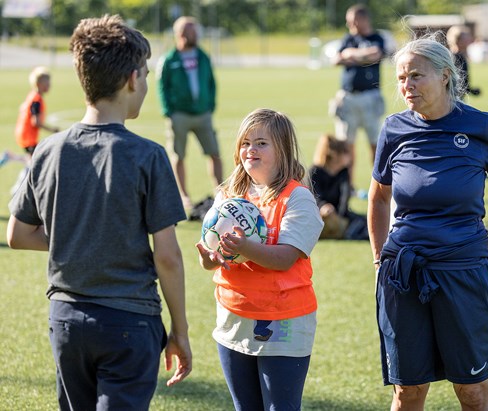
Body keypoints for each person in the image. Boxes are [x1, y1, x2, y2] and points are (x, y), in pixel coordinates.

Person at [7, 15, 192, 410]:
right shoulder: (148, 156)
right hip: (129, 321)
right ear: (130, 80)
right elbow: (168, 257)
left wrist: (79, 241)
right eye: (144, 74)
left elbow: (18, 235)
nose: (145, 84)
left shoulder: (49, 150)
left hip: (66, 319)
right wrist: (181, 329)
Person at [367, 34, 488, 410]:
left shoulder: (480, 126)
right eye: (401, 78)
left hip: (464, 272)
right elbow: (378, 198)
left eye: (416, 76)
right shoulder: (394, 129)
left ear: (445, 76)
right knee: (408, 391)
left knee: (472, 391)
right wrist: (379, 260)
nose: (407, 86)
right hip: (402, 273)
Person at [195, 108, 323, 410]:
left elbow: (284, 259)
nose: (251, 150)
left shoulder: (297, 197)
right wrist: (211, 258)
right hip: (232, 317)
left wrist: (244, 246)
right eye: (245, 143)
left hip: (282, 321)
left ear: (283, 149)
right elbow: (211, 259)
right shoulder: (228, 195)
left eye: (262, 143)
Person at [157, 16, 223, 209]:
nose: (193, 35)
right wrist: (169, 111)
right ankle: (183, 194)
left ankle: (219, 191)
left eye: (194, 31)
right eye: (189, 31)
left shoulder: (203, 56)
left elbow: (211, 82)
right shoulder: (170, 59)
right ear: (179, 34)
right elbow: (162, 86)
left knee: (214, 152)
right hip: (179, 115)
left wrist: (210, 105)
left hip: (203, 114)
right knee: (179, 155)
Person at [330, 3, 386, 186]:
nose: (350, 26)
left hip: (370, 97)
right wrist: (359, 55)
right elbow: (336, 59)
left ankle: (378, 184)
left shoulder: (377, 37)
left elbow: (375, 54)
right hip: (348, 98)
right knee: (346, 146)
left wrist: (351, 55)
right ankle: (349, 186)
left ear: (363, 19)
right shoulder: (348, 38)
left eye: (353, 22)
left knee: (375, 144)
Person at [8, 66, 60, 192]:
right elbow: (35, 122)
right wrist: (52, 130)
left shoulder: (33, 96)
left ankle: (11, 159)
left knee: (32, 160)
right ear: (38, 84)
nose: (49, 85)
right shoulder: (37, 100)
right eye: (46, 82)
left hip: (24, 134)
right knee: (34, 162)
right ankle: (18, 188)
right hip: (27, 136)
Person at [309, 133, 369, 240]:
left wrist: (339, 216)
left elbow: (344, 198)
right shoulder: (315, 171)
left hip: (339, 213)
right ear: (335, 155)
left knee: (368, 220)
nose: (350, 157)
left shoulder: (343, 172)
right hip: (319, 214)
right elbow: (313, 195)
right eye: (346, 153)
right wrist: (323, 206)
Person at [446, 25, 481, 96]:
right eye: (466, 38)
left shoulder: (453, 56)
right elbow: (460, 84)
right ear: (458, 40)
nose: (470, 39)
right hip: (454, 99)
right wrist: (473, 91)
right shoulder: (457, 58)